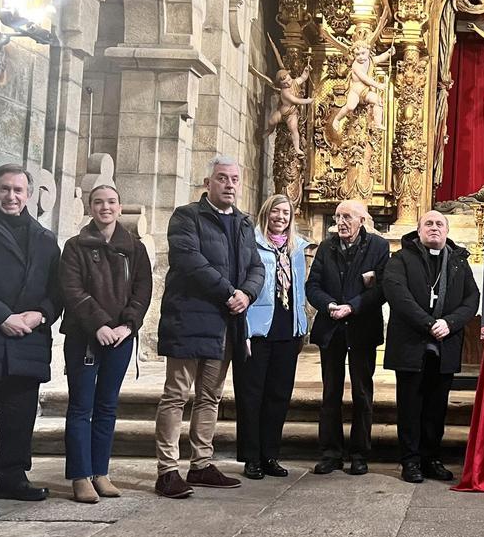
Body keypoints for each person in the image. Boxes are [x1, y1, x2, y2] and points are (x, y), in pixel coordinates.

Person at [153, 155, 264, 499]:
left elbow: (256, 267)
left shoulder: (245, 224)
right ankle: (167, 471)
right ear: (208, 183)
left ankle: (201, 464)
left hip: (225, 324)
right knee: (176, 395)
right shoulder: (187, 217)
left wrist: (246, 293)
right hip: (190, 317)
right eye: (222, 179)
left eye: (234, 179)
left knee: (210, 397)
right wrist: (229, 292)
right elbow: (189, 261)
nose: (229, 185)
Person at [0, 164, 62, 502]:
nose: (11, 196)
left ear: (28, 195)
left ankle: (11, 477)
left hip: (29, 338)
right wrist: (2, 317)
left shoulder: (44, 237)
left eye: (18, 190)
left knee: (19, 416)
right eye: (4, 189)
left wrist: (41, 315)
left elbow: (57, 290)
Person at [58, 184, 152, 503]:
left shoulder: (135, 248)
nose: (105, 207)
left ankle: (101, 472)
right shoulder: (75, 246)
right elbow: (71, 290)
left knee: (107, 405)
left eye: (111, 202)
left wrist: (127, 325)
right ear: (90, 207)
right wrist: (98, 324)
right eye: (98, 202)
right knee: (82, 405)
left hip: (121, 337)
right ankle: (80, 475)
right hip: (85, 336)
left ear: (120, 206)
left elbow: (143, 291)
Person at [382, 210, 480, 483]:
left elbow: (472, 299)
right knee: (410, 405)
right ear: (419, 229)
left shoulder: (459, 262)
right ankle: (410, 461)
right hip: (411, 343)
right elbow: (396, 294)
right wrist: (428, 323)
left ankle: (431, 458)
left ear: (447, 230)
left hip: (445, 344)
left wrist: (449, 323)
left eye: (439, 224)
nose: (434, 227)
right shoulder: (401, 258)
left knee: (437, 406)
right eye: (429, 223)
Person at [305, 199, 390, 475]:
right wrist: (330, 305)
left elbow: (381, 290)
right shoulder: (326, 247)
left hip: (361, 327)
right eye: (338, 216)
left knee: (362, 392)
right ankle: (330, 452)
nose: (341, 222)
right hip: (331, 326)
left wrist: (352, 306)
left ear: (362, 221)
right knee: (331, 391)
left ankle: (359, 453)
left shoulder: (379, 247)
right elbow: (313, 285)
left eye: (348, 217)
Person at [235, 194, 310, 480]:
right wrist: (242, 330)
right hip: (256, 331)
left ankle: (270, 455)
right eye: (276, 212)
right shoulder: (250, 245)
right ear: (266, 213)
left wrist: (302, 327)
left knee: (278, 395)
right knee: (251, 395)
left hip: (287, 330)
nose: (281, 217)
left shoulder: (297, 248)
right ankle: (251, 457)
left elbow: (299, 290)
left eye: (286, 213)